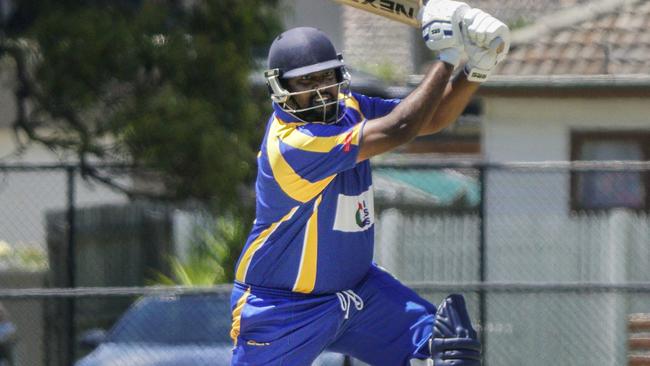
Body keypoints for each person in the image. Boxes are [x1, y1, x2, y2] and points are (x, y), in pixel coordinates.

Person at [229, 1, 510, 365]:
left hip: (359, 291)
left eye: (326, 77)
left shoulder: (350, 109)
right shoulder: (293, 144)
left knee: (449, 350)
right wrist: (445, 56)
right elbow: (399, 129)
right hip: (282, 308)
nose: (321, 91)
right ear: (280, 88)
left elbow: (430, 117)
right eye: (306, 82)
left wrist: (475, 66)